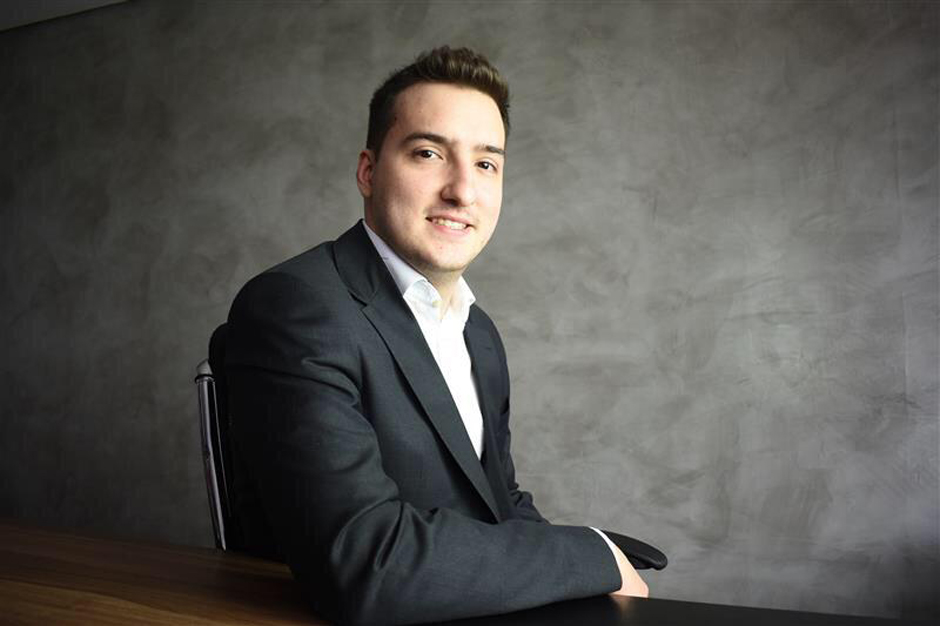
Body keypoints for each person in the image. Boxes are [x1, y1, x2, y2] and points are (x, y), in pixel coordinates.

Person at [224, 46, 663, 626]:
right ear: (368, 171)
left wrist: (592, 584)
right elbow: (365, 562)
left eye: (486, 164)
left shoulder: (478, 333)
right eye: (429, 153)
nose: (462, 190)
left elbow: (498, 504)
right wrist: (592, 556)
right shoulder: (295, 307)